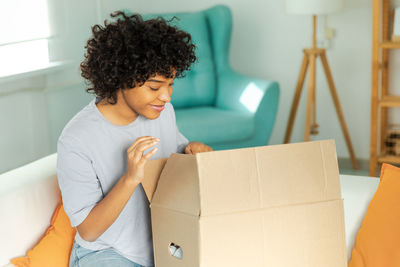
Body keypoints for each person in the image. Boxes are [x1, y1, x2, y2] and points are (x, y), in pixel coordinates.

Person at [57, 11, 213, 267]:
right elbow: (89, 231)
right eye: (154, 87)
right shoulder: (77, 139)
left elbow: (177, 158)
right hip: (108, 253)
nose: (166, 97)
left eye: (170, 85)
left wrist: (193, 151)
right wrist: (130, 178)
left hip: (166, 244)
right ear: (121, 78)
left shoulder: (162, 114)